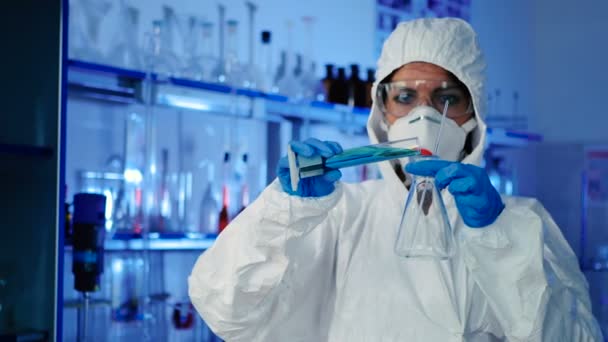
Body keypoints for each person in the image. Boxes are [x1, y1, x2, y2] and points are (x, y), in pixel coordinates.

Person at [189, 18, 603, 341]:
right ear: (382, 112)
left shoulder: (520, 222)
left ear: (474, 111)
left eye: (447, 98)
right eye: (405, 97)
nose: (423, 117)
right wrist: (285, 211)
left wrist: (501, 242)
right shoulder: (340, 214)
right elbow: (227, 311)